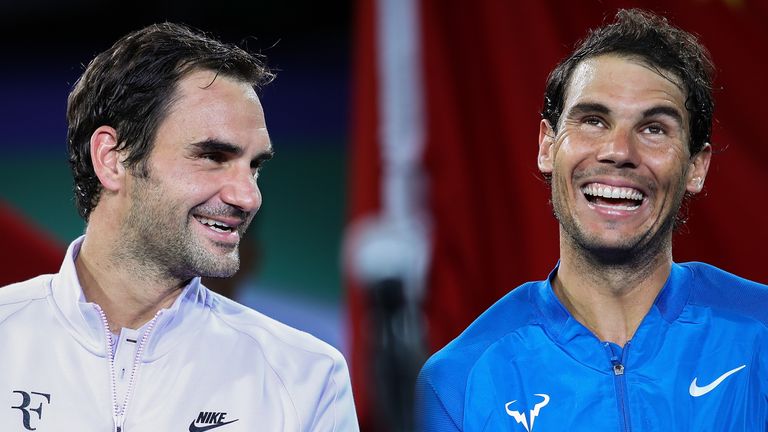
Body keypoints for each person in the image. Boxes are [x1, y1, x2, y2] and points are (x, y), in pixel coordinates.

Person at [416, 9, 768, 431]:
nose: (618, 151)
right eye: (593, 121)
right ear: (547, 145)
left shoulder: (759, 333)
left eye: (654, 128)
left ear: (697, 166)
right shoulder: (458, 383)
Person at [0, 23, 358, 431]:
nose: (248, 197)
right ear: (112, 158)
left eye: (254, 166)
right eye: (213, 155)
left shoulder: (306, 376)